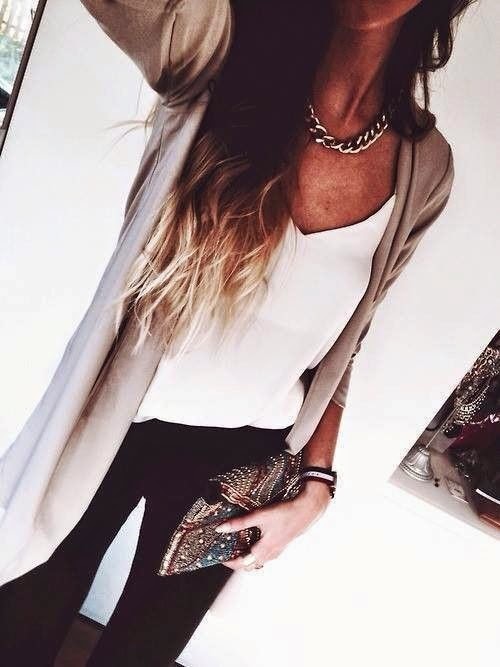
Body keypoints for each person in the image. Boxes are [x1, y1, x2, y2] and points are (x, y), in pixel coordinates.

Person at [0, 0, 474, 665]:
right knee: (18, 622)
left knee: (142, 654)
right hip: (115, 423)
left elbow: (347, 340)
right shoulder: (215, 52)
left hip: (240, 465)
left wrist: (317, 482)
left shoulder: (425, 166)